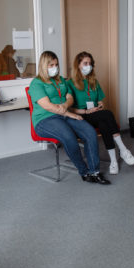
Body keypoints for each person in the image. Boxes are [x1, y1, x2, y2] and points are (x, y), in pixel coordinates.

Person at [29, 51, 110, 184]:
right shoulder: (36, 83)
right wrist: (69, 113)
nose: (55, 68)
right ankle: (84, 172)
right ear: (43, 65)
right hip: (45, 120)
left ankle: (95, 172)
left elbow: (70, 97)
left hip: (64, 115)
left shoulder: (61, 80)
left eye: (56, 64)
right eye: (51, 65)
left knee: (90, 132)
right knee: (69, 137)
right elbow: (48, 106)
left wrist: (65, 105)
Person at [67, 51, 134, 175]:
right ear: (78, 65)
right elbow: (69, 109)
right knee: (108, 114)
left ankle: (113, 161)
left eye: (90, 63)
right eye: (85, 63)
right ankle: (123, 150)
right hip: (81, 116)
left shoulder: (93, 81)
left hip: (95, 114)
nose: (88, 66)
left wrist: (100, 105)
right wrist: (86, 111)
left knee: (104, 123)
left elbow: (99, 100)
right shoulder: (70, 83)